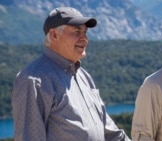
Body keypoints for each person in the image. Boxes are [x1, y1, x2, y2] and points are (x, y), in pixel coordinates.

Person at [11, 6, 130, 141]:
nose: (84, 39)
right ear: (54, 35)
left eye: (85, 33)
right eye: (77, 32)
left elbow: (109, 133)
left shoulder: (84, 76)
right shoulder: (33, 80)